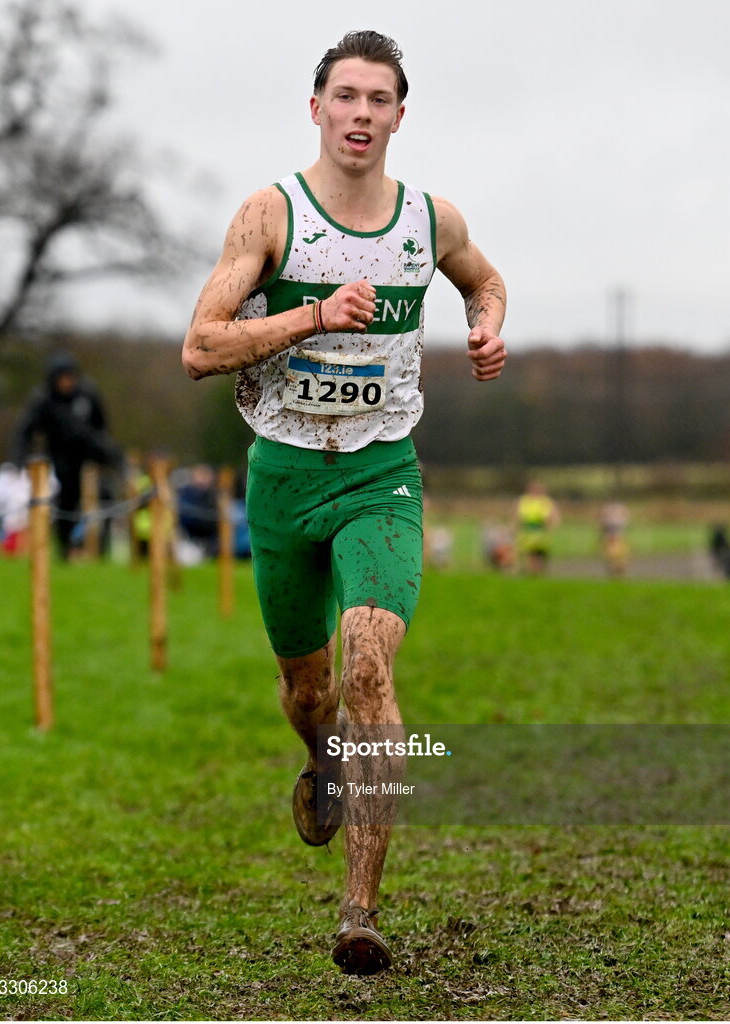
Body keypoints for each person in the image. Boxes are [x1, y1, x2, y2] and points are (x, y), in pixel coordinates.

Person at [182, 30, 506, 975]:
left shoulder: (429, 220)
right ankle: (323, 760)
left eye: (380, 99)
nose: (361, 114)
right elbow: (201, 346)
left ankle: (358, 911)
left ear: (400, 115)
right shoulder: (269, 215)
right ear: (316, 107)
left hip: (381, 475)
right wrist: (314, 314)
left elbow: (482, 279)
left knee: (370, 666)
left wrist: (485, 326)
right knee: (308, 689)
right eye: (346, 96)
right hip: (284, 475)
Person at [14, 352, 121, 560]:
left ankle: (99, 550)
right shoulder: (43, 399)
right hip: (60, 460)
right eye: (62, 378)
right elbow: (24, 433)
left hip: (90, 458)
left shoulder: (88, 394)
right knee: (66, 504)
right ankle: (65, 551)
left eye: (70, 377)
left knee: (104, 498)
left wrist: (107, 456)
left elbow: (101, 428)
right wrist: (19, 462)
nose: (67, 383)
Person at [516, 480, 559, 575]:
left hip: (541, 530)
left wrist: (552, 525)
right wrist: (516, 526)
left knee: (540, 552)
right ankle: (531, 570)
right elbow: (518, 515)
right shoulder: (524, 501)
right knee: (529, 551)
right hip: (528, 530)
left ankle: (539, 570)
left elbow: (553, 515)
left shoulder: (546, 502)